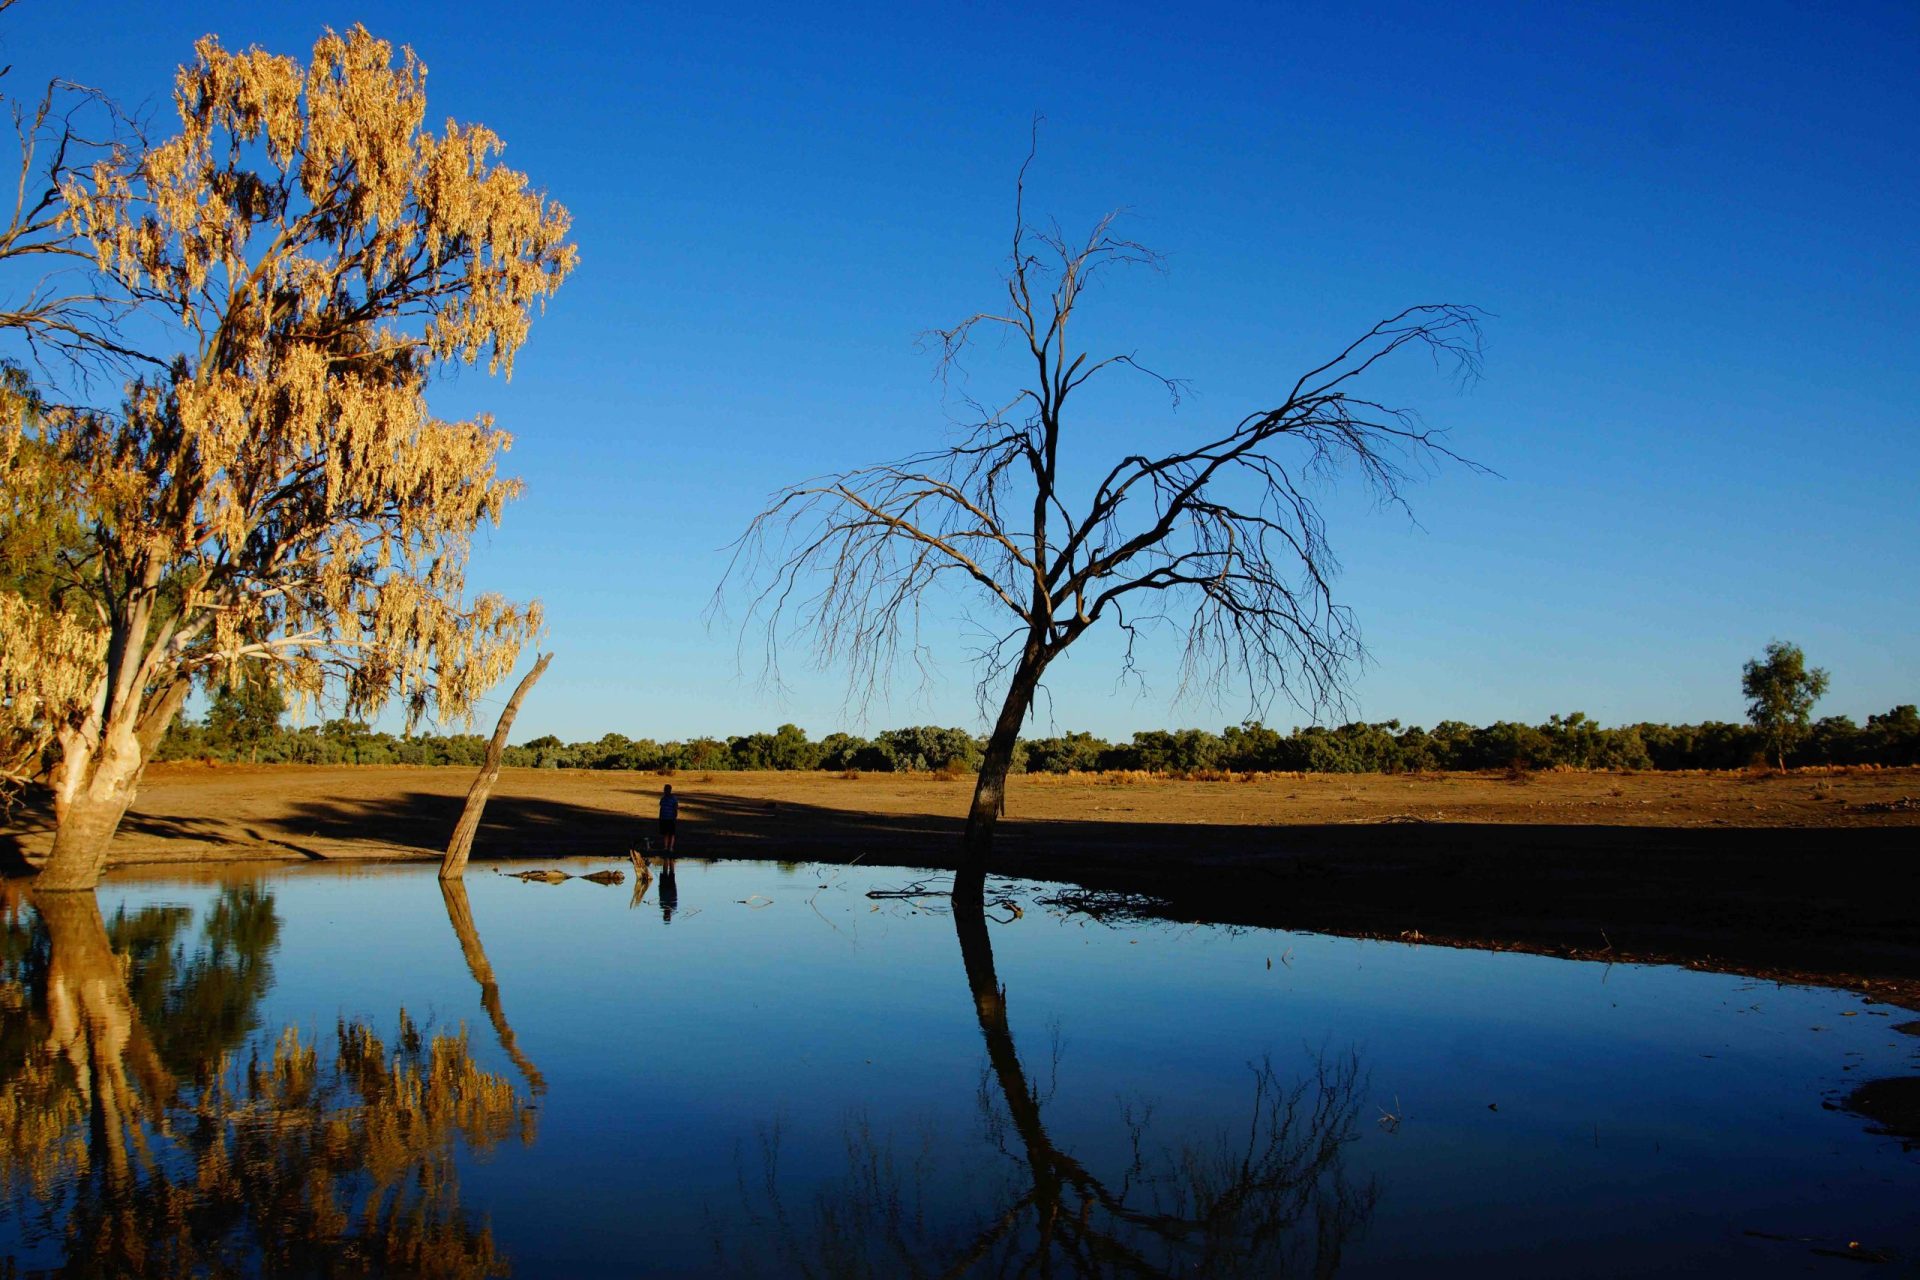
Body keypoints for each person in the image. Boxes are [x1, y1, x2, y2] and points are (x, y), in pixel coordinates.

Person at [658, 783, 679, 854]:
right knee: (665, 833)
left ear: (670, 790)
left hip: (671, 818)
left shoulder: (674, 798)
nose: (665, 791)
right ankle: (666, 847)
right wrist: (660, 817)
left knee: (672, 834)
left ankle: (671, 848)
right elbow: (661, 808)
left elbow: (675, 808)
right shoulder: (663, 798)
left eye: (666, 789)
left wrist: (675, 817)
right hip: (664, 818)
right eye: (664, 789)